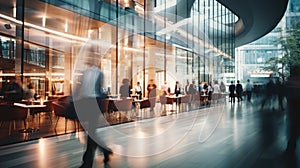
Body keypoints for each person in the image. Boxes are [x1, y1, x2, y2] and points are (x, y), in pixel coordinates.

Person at [75, 49, 113, 168]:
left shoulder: (100, 73)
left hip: (94, 104)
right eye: (89, 56)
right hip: (84, 103)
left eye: (92, 56)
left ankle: (87, 163)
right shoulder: (84, 73)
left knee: (91, 133)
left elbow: (102, 90)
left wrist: (104, 98)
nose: (89, 58)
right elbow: (79, 88)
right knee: (88, 133)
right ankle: (105, 151)